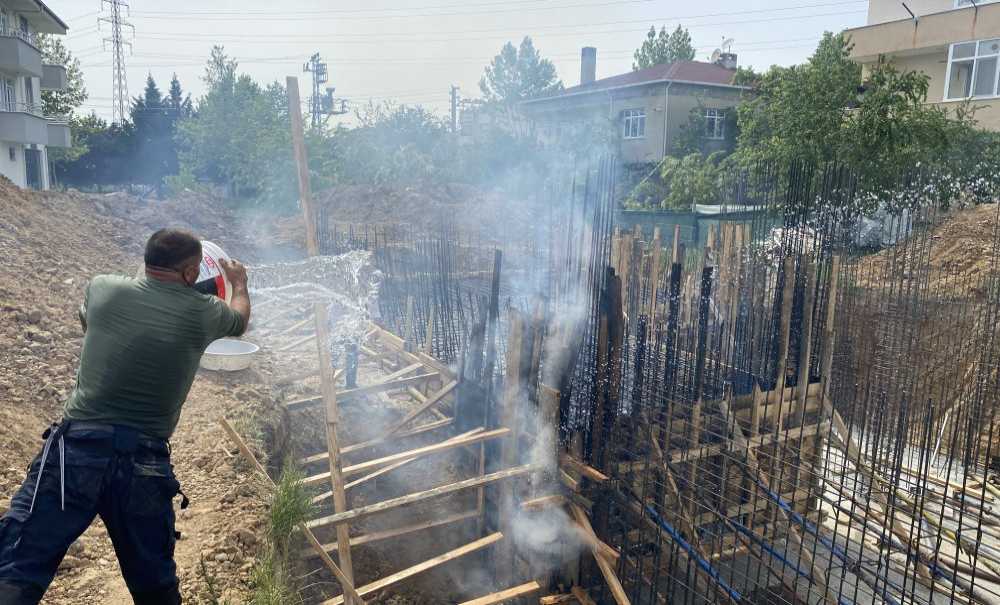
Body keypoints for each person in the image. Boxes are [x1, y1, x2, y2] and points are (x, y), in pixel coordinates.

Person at [0, 228, 252, 605]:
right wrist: (240, 283)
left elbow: (92, 322)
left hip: (75, 452)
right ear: (189, 274)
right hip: (144, 464)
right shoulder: (204, 312)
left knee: (18, 564)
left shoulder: (103, 289)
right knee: (155, 585)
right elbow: (240, 318)